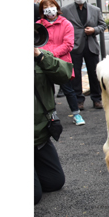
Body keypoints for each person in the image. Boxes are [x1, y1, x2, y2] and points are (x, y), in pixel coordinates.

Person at [36, 0, 85, 126]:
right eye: (45, 7)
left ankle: (76, 114)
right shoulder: (38, 25)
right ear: (42, 10)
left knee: (68, 89)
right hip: (42, 61)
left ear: (57, 7)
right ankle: (51, 115)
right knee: (47, 90)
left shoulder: (66, 24)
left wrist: (50, 55)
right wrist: (45, 56)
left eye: (51, 5)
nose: (49, 9)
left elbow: (68, 44)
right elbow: (36, 43)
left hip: (61, 62)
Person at [34, 46, 73, 205]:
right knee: (34, 196)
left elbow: (65, 74)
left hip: (39, 137)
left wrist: (39, 56)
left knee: (54, 182)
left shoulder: (41, 55)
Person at [61, 0, 107, 110]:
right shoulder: (66, 10)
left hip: (91, 45)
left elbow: (103, 25)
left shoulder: (95, 10)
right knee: (75, 74)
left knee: (94, 73)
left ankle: (97, 99)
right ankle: (78, 100)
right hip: (74, 46)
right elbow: (62, 26)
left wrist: (94, 29)